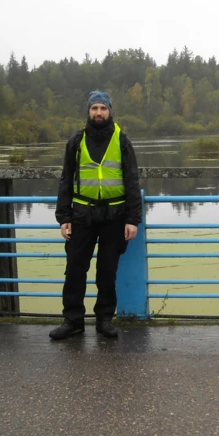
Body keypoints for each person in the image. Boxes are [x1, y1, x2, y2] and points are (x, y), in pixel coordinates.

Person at [49, 90, 142, 340]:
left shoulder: (122, 140)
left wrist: (133, 220)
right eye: (94, 108)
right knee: (75, 270)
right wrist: (64, 217)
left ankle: (104, 320)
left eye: (103, 108)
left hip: (115, 216)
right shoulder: (76, 141)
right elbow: (66, 180)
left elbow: (132, 180)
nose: (98, 113)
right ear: (88, 111)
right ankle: (73, 321)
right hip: (81, 215)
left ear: (110, 111)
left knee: (107, 272)